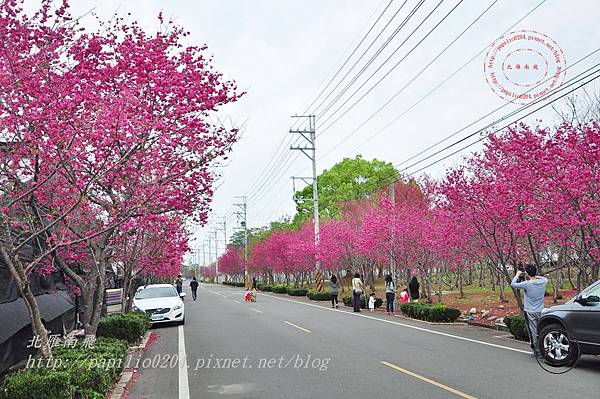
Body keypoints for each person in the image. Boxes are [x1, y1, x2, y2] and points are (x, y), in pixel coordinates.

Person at [511, 264, 548, 357]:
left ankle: (537, 352)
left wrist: (518, 275)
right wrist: (532, 275)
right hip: (541, 310)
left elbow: (513, 284)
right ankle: (545, 349)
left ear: (527, 273)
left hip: (530, 311)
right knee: (541, 330)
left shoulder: (527, 284)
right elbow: (540, 277)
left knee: (533, 332)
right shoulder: (544, 281)